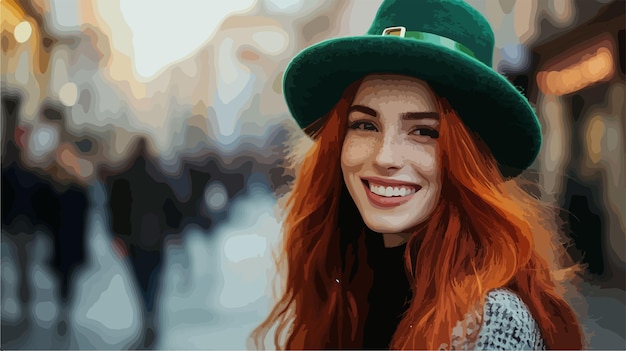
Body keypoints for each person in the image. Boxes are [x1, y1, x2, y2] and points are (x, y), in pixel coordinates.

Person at [250, 0, 586, 349]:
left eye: (424, 131)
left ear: (467, 159)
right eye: (365, 125)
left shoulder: (488, 323)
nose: (385, 157)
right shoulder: (344, 282)